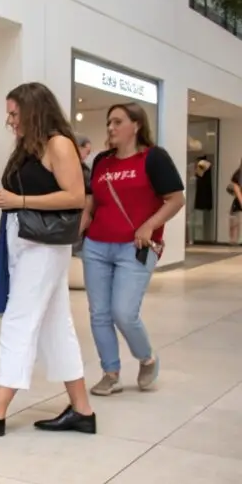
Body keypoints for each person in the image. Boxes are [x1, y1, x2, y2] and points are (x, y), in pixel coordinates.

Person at [0, 82, 96, 437]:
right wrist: (6, 199)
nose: (10, 120)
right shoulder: (29, 147)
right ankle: (82, 409)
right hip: (25, 241)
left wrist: (18, 201)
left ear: (34, 110)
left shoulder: (58, 144)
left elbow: (75, 197)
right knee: (55, 326)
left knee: (19, 320)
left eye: (15, 113)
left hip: (44, 246)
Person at [80, 103, 184, 396]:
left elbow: (176, 199)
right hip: (97, 245)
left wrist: (149, 226)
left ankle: (147, 357)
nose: (110, 128)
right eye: (108, 122)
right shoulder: (102, 161)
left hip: (135, 247)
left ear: (136, 125)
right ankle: (110, 373)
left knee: (123, 312)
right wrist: (79, 228)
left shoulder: (153, 158)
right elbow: (92, 201)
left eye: (117, 122)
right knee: (99, 313)